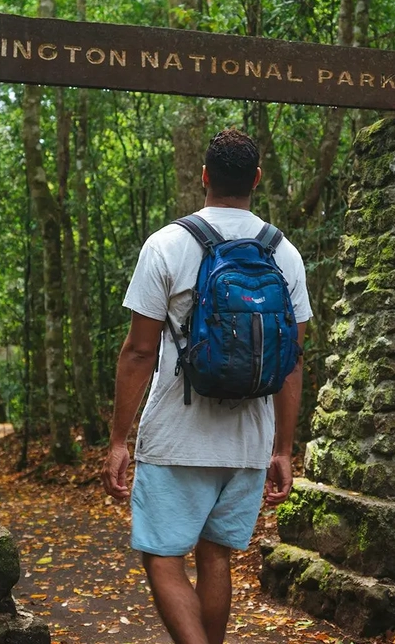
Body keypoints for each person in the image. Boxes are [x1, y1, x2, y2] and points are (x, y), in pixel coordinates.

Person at [100, 127, 312, 644]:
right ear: (256, 180)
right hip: (248, 440)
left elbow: (139, 350)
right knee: (216, 557)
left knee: (162, 556)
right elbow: (291, 361)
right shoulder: (283, 252)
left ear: (204, 177)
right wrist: (283, 448)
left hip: (176, 436)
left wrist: (119, 440)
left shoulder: (167, 244)